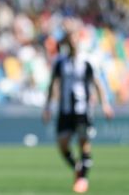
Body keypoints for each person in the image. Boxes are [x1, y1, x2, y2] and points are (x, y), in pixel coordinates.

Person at [43, 31, 114, 194]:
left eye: (76, 39)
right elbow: (53, 84)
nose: (74, 43)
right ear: (67, 42)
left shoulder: (87, 60)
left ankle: (82, 178)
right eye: (71, 40)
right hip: (65, 110)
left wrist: (105, 104)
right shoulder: (60, 62)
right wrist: (47, 106)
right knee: (62, 144)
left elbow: (97, 83)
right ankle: (77, 167)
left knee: (84, 144)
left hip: (83, 110)